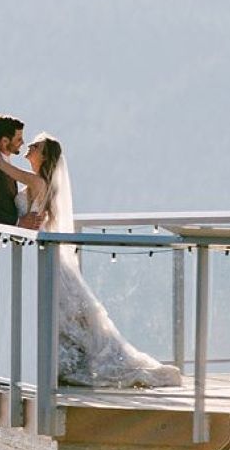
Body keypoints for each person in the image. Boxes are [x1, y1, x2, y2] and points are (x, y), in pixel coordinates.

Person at [19, 133, 181, 388]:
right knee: (65, 315)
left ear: (45, 156)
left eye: (36, 145)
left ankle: (63, 363)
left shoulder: (38, 182)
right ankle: (58, 361)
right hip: (40, 257)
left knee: (64, 314)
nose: (29, 146)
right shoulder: (38, 183)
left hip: (45, 258)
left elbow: (3, 168)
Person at [0, 116, 45, 226]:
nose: (23, 143)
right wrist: (18, 222)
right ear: (5, 141)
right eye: (18, 139)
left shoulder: (4, 164)